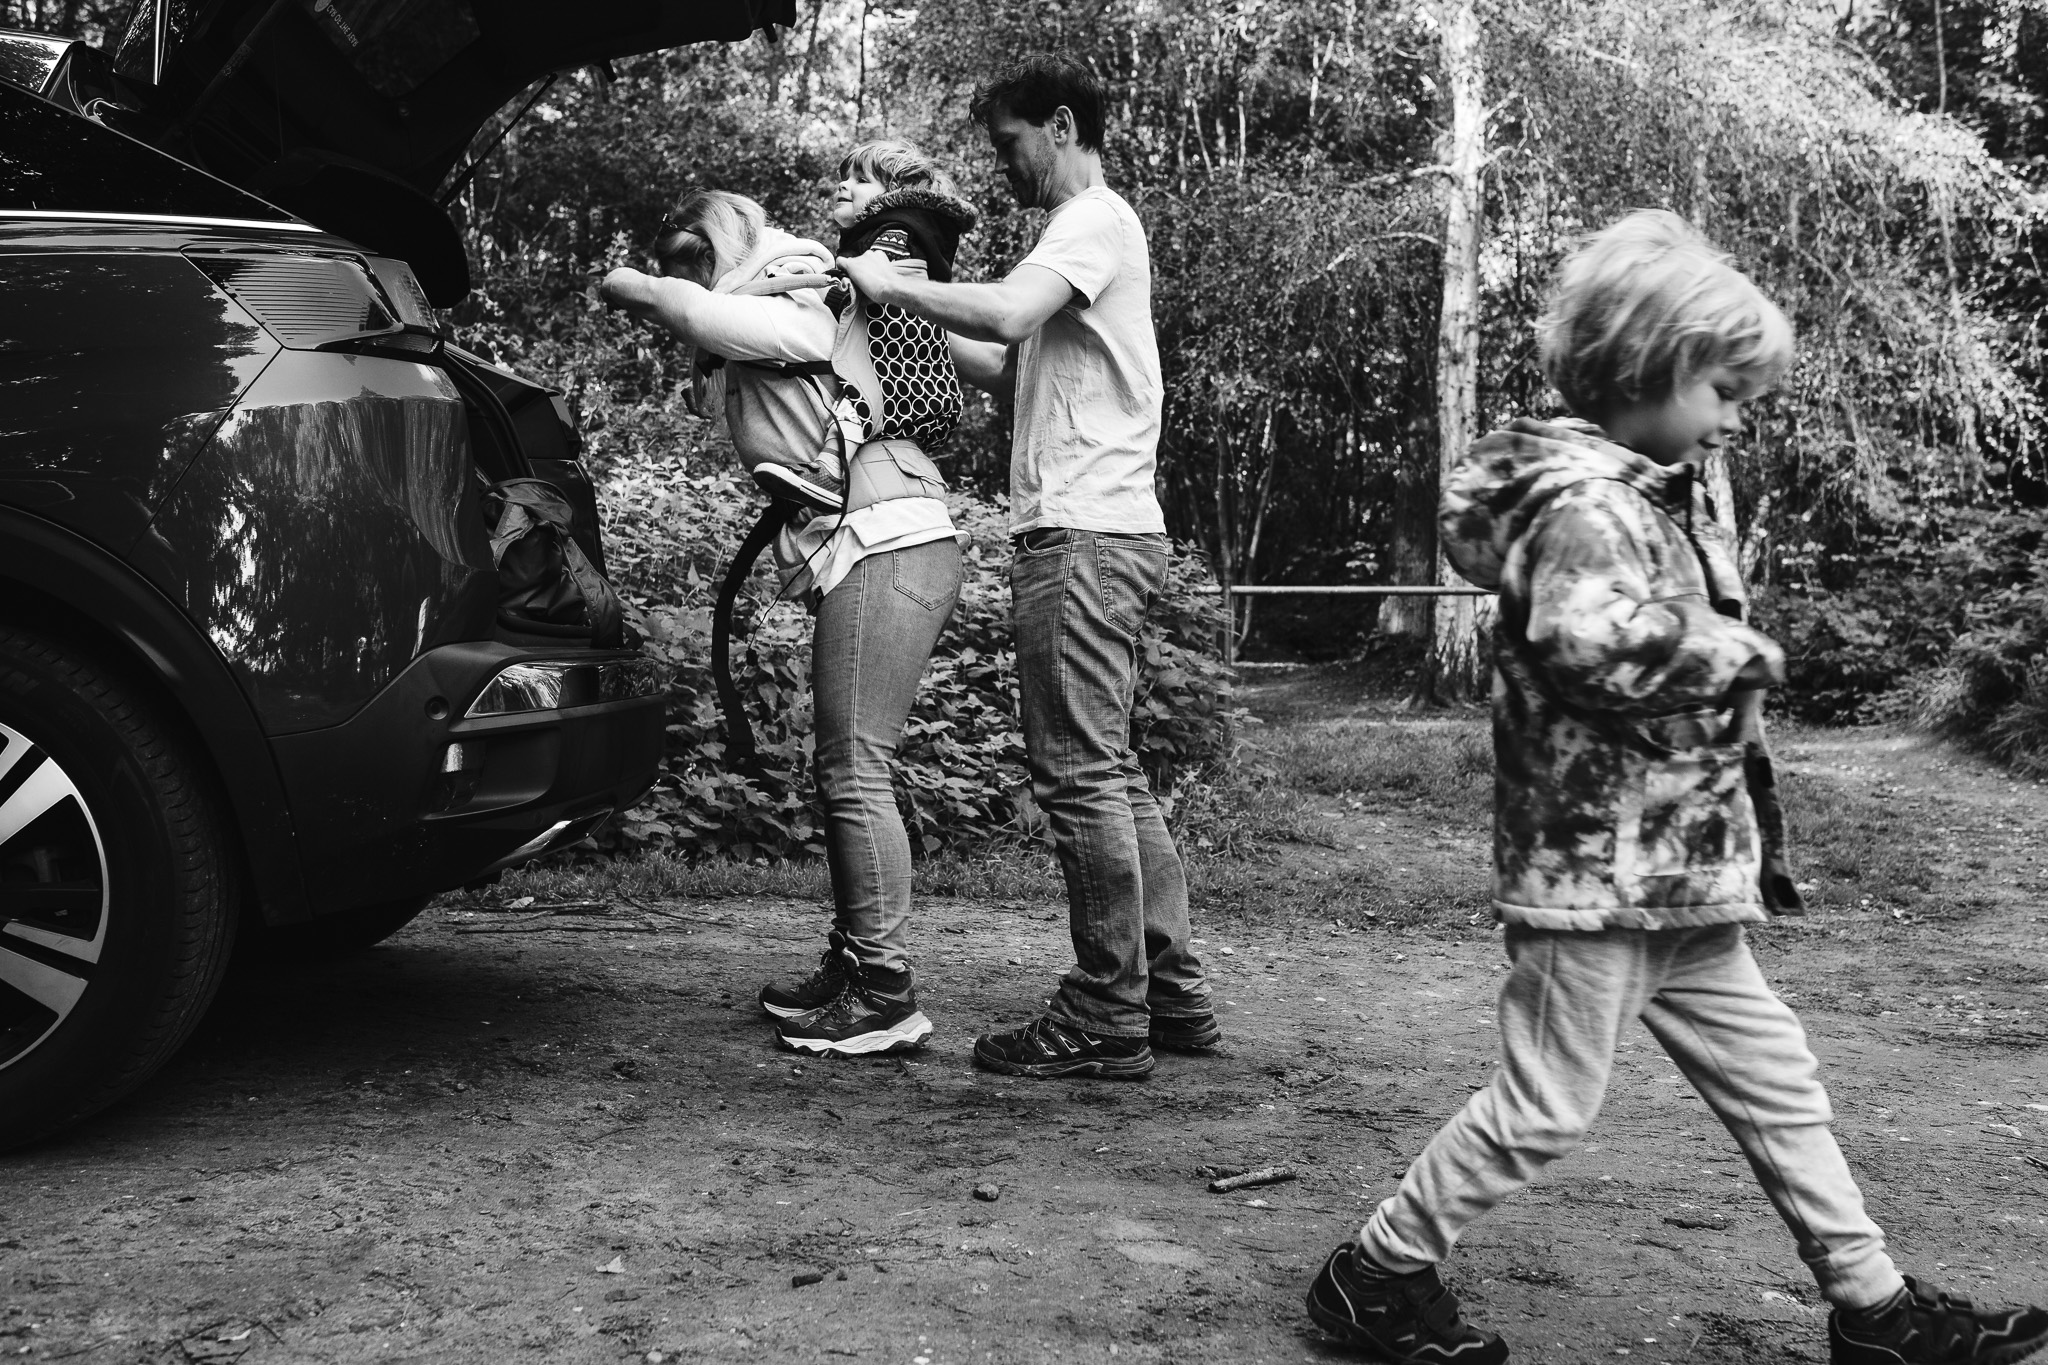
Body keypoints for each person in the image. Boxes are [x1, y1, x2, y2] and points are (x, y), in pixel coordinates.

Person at [1300, 210, 2048, 1365]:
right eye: (1720, 389)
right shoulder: (1583, 509)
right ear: (1647, 370)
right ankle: (1376, 1274)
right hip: (1595, 882)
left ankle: (1873, 1307)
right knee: (1542, 1105)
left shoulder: (1637, 493)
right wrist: (1732, 652)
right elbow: (1590, 645)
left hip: (1678, 878)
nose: (1734, 414)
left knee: (1778, 1082)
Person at [838, 53, 1215, 1081]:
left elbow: (1003, 315)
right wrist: (904, 300)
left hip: (1083, 534)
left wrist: (876, 274)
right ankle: (1167, 992)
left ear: (1058, 125)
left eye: (1007, 146)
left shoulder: (1091, 218)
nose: (1000, 169)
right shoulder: (1079, 237)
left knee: (1079, 772)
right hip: (1104, 530)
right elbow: (1000, 354)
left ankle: (1104, 1011)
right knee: (1111, 768)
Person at [598, 188, 965, 1058]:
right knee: (842, 766)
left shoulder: (794, 279)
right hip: (873, 542)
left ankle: (885, 992)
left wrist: (643, 286)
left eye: (692, 264)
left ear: (714, 246)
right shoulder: (769, 290)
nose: (687, 289)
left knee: (854, 768)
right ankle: (856, 962)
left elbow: (788, 335)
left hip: (891, 540)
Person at [754, 139, 978, 514]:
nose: (844, 185)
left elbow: (876, 270)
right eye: (844, 178)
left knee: (855, 405)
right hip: (899, 358)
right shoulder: (889, 231)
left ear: (892, 193)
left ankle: (829, 472)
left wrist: (833, 278)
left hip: (898, 363)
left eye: (861, 179)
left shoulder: (897, 231)